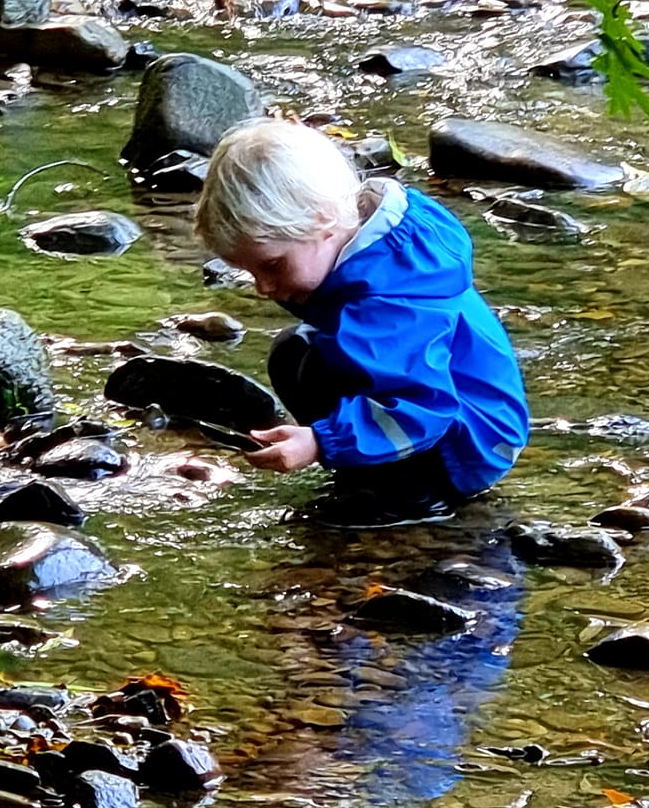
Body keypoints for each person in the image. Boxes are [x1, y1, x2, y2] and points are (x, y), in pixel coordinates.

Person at [193, 119, 528, 521]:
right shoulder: (356, 250)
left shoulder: (392, 301)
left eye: (273, 265)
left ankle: (413, 496)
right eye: (249, 272)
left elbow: (423, 407)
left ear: (322, 223)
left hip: (467, 442)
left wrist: (321, 442)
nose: (263, 287)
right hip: (437, 413)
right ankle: (368, 468)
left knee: (311, 360)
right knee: (294, 351)